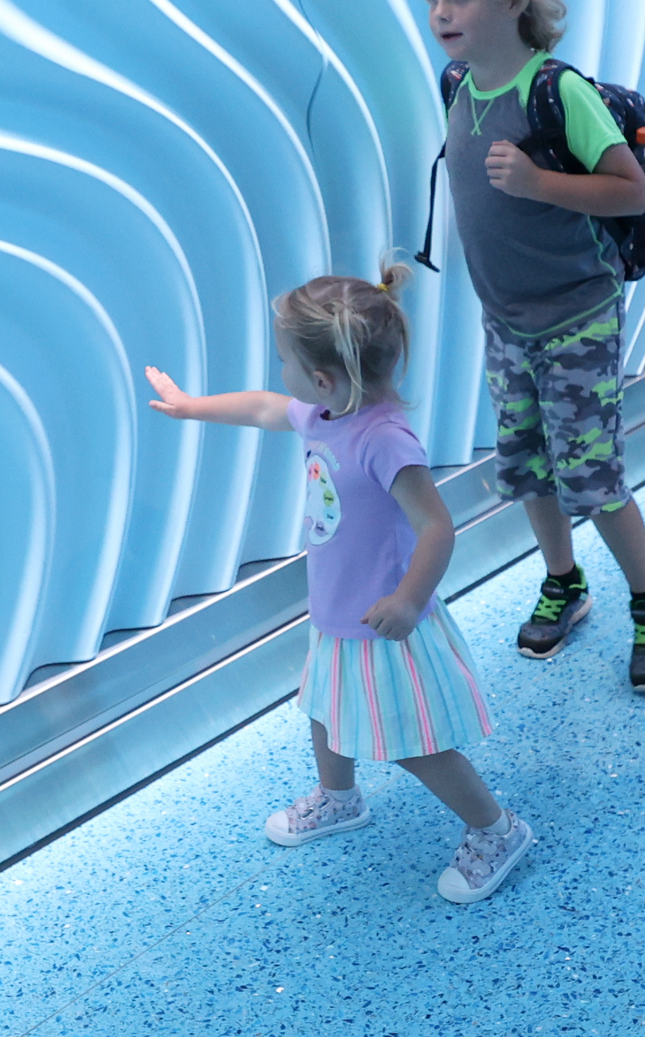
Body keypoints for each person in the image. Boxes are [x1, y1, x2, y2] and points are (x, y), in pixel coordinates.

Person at [143, 270, 536, 904]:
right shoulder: (324, 413)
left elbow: (436, 526)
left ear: (323, 378)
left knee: (413, 744)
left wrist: (408, 600)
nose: (281, 375)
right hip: (337, 611)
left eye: (285, 362)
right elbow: (264, 408)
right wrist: (192, 406)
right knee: (325, 708)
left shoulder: (383, 440)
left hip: (385, 624)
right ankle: (340, 797)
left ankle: (497, 830)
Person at [420, 0, 645, 691]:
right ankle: (564, 580)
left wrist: (540, 183)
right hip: (506, 320)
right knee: (527, 466)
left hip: (576, 317)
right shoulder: (458, 83)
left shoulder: (556, 90)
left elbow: (629, 191)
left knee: (591, 474)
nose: (441, 13)